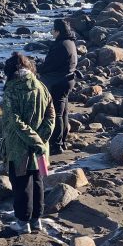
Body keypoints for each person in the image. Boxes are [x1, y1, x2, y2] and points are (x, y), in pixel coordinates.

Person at [0, 52, 55, 233]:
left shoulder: (12, 90)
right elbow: (51, 116)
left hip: (18, 147)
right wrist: (41, 140)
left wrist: (34, 140)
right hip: (40, 147)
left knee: (21, 184)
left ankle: (23, 222)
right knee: (37, 181)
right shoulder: (42, 87)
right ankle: (36, 220)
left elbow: (14, 121)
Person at [38, 18, 78, 154]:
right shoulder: (70, 42)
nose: (52, 33)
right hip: (68, 80)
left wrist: (38, 70)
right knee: (64, 111)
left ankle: (56, 144)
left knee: (57, 114)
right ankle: (63, 141)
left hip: (58, 82)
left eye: (53, 30)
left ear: (58, 31)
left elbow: (48, 66)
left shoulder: (60, 45)